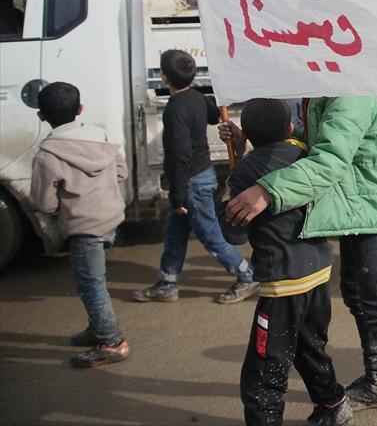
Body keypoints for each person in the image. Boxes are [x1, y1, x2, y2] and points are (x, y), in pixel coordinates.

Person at [223, 97, 377, 426]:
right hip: (352, 205)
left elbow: (329, 160)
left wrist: (266, 190)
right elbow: (310, 140)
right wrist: (248, 143)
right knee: (358, 297)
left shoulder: (350, 93)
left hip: (370, 208)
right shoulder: (324, 88)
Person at [220, 99, 351, 426]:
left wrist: (235, 171)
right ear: (290, 127)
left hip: (282, 287)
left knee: (264, 373)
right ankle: (333, 404)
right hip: (319, 275)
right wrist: (244, 145)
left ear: (248, 132)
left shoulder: (246, 171)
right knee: (310, 348)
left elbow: (233, 235)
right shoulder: (306, 157)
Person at [133, 50, 257, 304]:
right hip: (199, 176)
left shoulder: (176, 109)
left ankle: (247, 276)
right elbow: (214, 115)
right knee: (174, 233)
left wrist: (178, 194)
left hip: (191, 182)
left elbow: (181, 156)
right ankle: (167, 282)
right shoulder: (196, 98)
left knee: (210, 234)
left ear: (165, 77)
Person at [29, 82, 130, 368]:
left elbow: (44, 204)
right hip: (111, 218)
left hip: (84, 227)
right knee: (95, 279)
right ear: (80, 109)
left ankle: (111, 342)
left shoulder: (48, 155)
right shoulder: (101, 136)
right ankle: (97, 327)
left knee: (91, 285)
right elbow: (121, 172)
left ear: (41, 116)